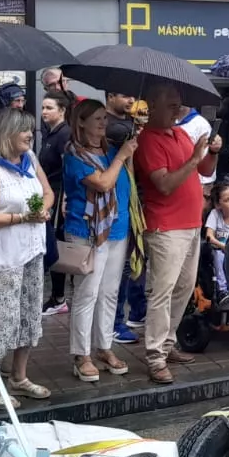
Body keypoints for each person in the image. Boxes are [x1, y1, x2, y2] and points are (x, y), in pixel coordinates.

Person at [134, 82, 221, 384]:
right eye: (171, 105)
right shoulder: (147, 140)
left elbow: (204, 171)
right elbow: (165, 184)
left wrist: (211, 153)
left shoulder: (181, 133)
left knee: (184, 288)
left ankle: (167, 344)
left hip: (190, 224)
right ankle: (155, 355)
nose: (178, 110)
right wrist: (196, 158)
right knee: (163, 291)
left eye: (179, 104)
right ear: (153, 106)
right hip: (165, 226)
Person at [0, 107, 53, 406]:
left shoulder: (29, 159)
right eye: (24, 129)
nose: (31, 134)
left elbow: (47, 192)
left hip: (31, 250)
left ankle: (19, 377)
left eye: (31, 129)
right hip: (3, 256)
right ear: (6, 133)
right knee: (1, 320)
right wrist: (22, 217)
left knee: (29, 316)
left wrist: (43, 208)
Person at [61, 99, 137, 382]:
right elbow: (103, 183)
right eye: (96, 119)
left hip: (116, 230)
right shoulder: (74, 155)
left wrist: (125, 153)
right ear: (81, 122)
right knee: (87, 293)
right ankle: (81, 354)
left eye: (104, 118)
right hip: (87, 232)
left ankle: (104, 347)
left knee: (109, 292)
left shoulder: (112, 150)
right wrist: (120, 158)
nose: (103, 123)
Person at [104, 91, 146, 343]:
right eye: (123, 95)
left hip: (131, 198)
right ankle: (115, 321)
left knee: (131, 263)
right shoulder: (117, 130)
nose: (131, 100)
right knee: (119, 268)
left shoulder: (130, 125)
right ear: (109, 97)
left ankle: (126, 315)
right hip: (116, 204)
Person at [39, 90, 73, 316]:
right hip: (49, 194)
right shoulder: (50, 133)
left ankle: (59, 297)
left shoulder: (64, 135)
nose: (43, 112)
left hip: (59, 196)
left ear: (61, 110)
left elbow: (69, 167)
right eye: (43, 107)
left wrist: (66, 198)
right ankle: (57, 295)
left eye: (49, 108)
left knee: (56, 245)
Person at [204, 180, 229, 298]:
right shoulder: (215, 214)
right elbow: (209, 236)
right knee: (219, 257)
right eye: (227, 200)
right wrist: (222, 246)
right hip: (219, 249)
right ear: (218, 204)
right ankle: (222, 290)